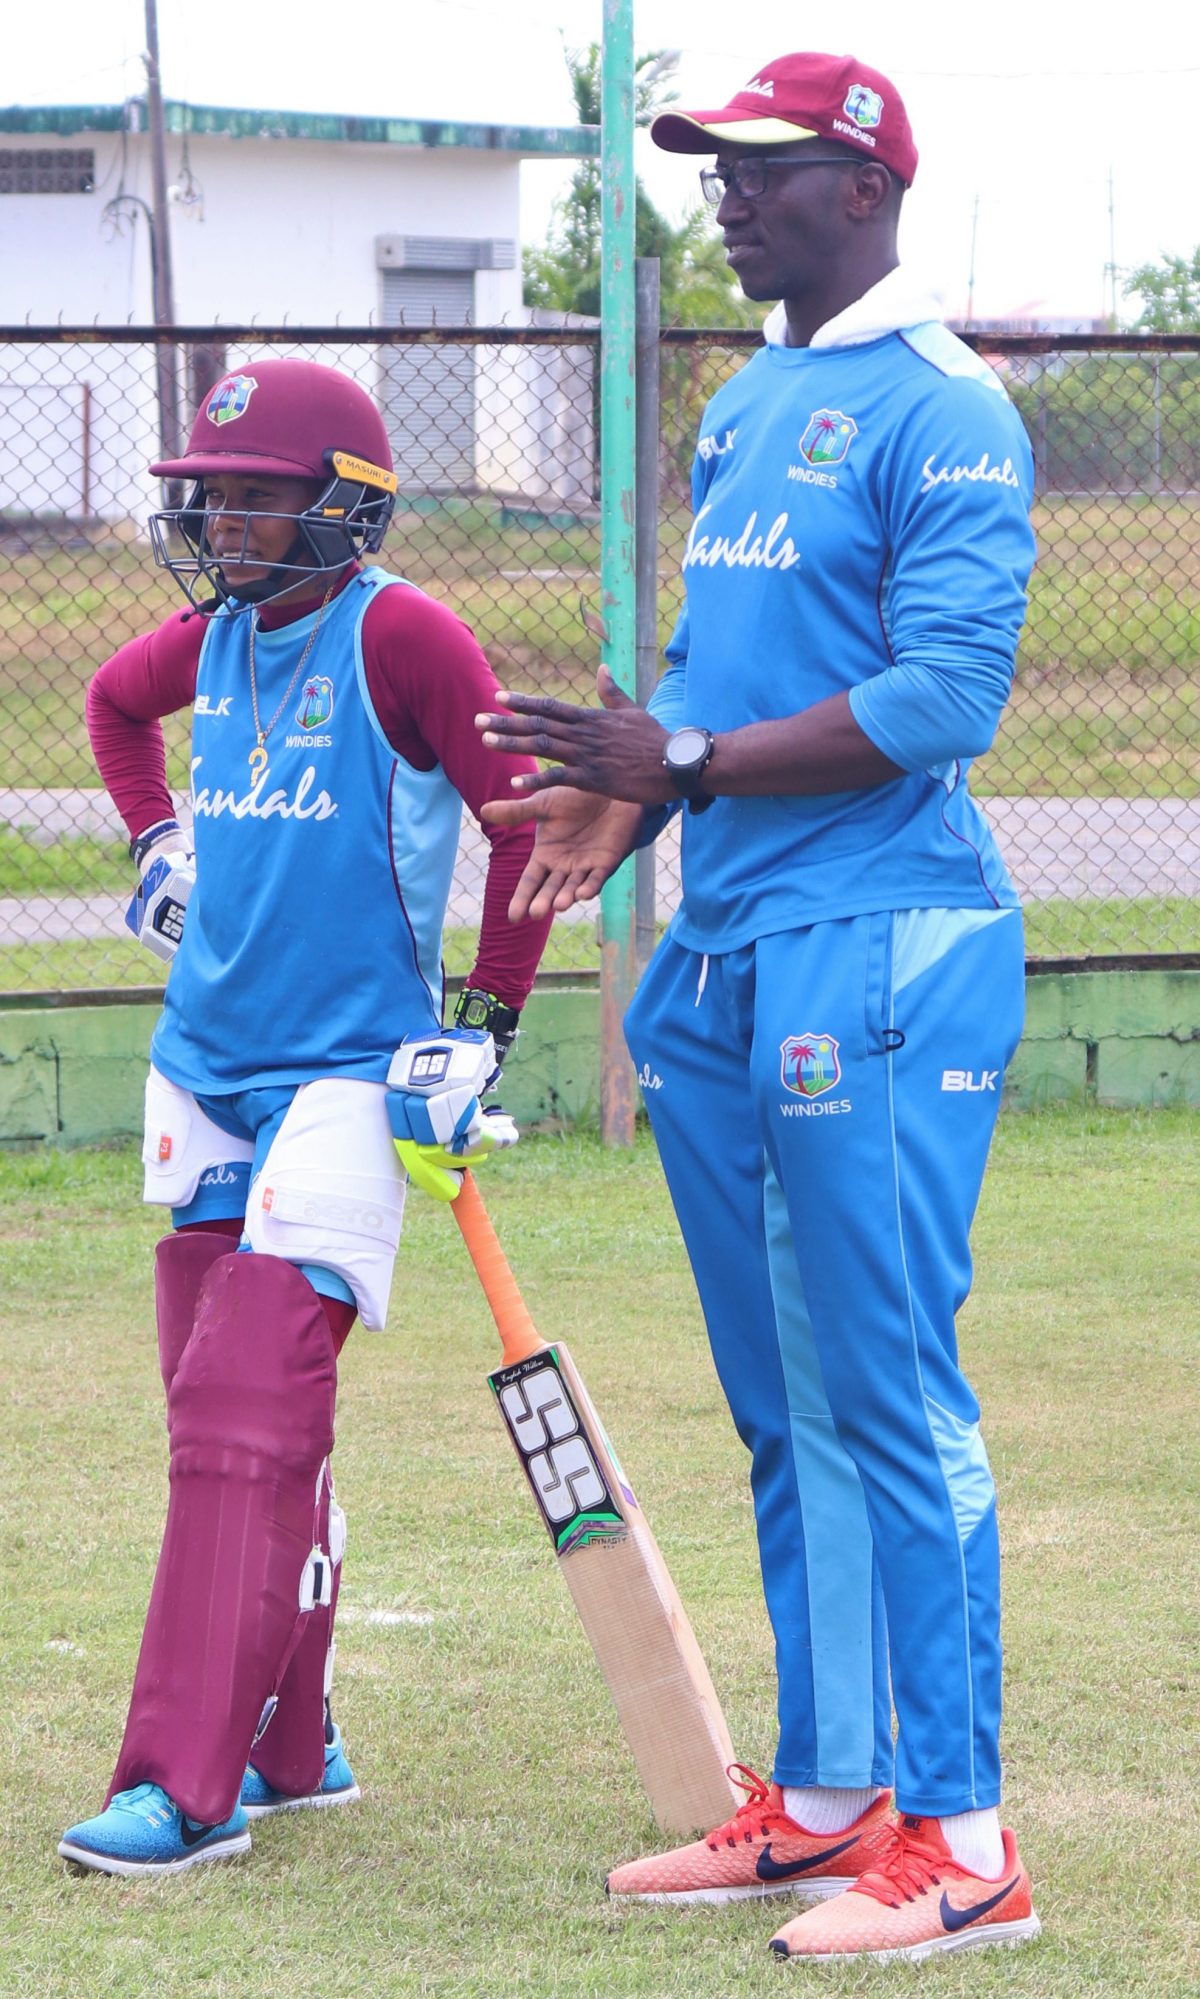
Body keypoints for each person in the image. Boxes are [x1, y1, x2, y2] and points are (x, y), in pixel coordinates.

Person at [476, 50, 1042, 1966]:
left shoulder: (947, 409)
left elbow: (946, 699)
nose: (723, 197)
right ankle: (823, 1803)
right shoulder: (747, 405)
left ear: (866, 183)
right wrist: (629, 781)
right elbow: (714, 672)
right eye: (712, 168)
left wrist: (691, 752)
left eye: (762, 167)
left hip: (879, 946)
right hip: (721, 951)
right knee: (783, 1402)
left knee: (891, 1397)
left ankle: (965, 1839)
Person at [59, 356, 552, 1877]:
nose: (216, 520)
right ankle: (292, 1742)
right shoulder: (210, 636)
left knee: (241, 1410)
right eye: (207, 495)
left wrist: (483, 1029)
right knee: (237, 1423)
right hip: (205, 1059)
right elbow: (107, 707)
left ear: (342, 506)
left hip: (350, 1074)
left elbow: (522, 822)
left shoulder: (405, 633)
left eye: (252, 495)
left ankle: (186, 1789)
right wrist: (154, 843)